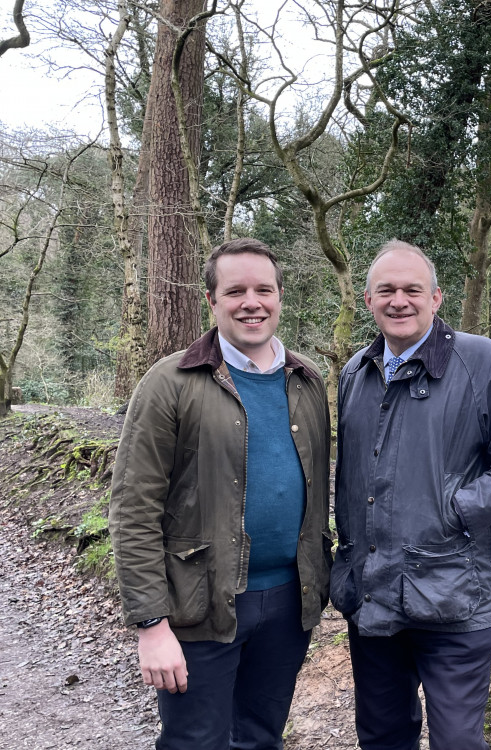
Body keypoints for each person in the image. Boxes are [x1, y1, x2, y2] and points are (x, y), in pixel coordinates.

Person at [109, 238, 332, 750]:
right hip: (200, 604)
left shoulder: (307, 381)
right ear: (212, 301)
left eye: (263, 290)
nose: (251, 302)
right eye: (235, 291)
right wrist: (150, 624)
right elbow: (132, 509)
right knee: (197, 741)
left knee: (260, 738)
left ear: (279, 297)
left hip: (288, 604)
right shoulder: (170, 382)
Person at [331, 239, 491, 750]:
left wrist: (453, 510)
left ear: (437, 298)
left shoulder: (480, 362)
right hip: (373, 594)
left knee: (456, 741)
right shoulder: (355, 374)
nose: (399, 300)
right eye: (386, 290)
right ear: (368, 300)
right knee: (383, 736)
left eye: (413, 289)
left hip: (454, 595)